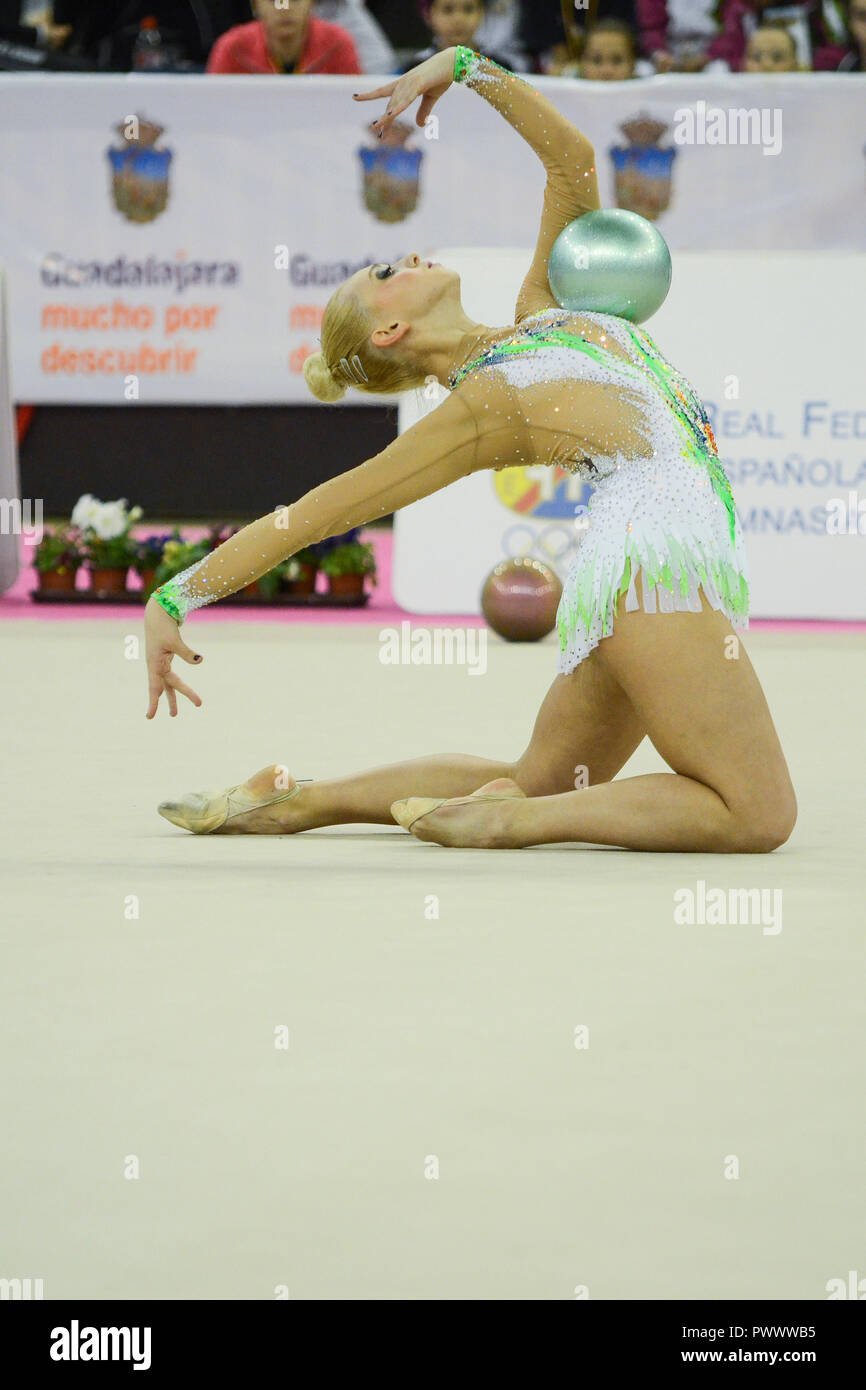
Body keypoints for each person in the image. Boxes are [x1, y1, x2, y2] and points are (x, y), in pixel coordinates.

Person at [148, 45, 797, 854]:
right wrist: (175, 598)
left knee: (546, 773)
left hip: (641, 563)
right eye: (386, 271)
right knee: (756, 813)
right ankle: (510, 824)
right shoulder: (484, 406)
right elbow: (317, 513)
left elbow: (573, 161)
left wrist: (463, 69)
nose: (409, 255)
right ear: (391, 331)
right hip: (651, 567)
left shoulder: (539, 312)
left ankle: (292, 802)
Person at [206, 0, 361, 74]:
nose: (284, 9)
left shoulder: (338, 43)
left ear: (312, 3)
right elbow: (213, 110)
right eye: (273, 1)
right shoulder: (232, 47)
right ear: (255, 5)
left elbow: (354, 108)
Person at [400, 0, 515, 73]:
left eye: (468, 9)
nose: (458, 19)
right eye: (448, 10)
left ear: (481, 13)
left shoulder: (500, 68)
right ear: (428, 15)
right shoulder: (415, 69)